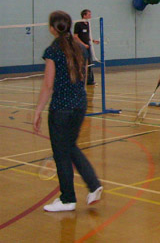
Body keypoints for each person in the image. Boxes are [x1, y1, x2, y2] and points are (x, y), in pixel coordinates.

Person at [33, 11, 103, 212]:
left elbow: (48, 86)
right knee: (70, 147)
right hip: (80, 105)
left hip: (61, 109)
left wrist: (38, 111)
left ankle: (67, 199)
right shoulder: (80, 48)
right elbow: (83, 78)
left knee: (61, 153)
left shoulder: (53, 51)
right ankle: (94, 185)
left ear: (52, 29)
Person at [73, 9, 99, 86]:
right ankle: (80, 80)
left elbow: (87, 36)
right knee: (82, 63)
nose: (90, 16)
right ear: (84, 15)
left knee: (89, 62)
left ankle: (90, 80)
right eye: (89, 14)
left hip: (88, 46)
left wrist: (93, 40)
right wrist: (83, 45)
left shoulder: (87, 24)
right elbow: (75, 36)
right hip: (81, 47)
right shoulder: (78, 24)